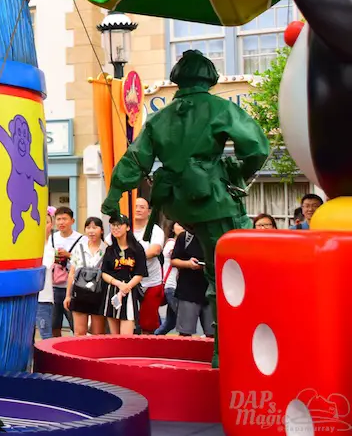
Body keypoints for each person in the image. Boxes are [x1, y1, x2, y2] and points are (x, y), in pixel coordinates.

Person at [101, 50, 269, 366]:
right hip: (213, 201)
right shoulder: (220, 108)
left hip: (175, 204)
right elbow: (257, 148)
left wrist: (113, 196)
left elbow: (135, 160)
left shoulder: (160, 118)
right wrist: (238, 173)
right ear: (209, 79)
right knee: (231, 271)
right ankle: (226, 350)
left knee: (220, 270)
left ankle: (227, 344)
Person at [101, 213, 147, 335]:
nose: (115, 228)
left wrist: (127, 287)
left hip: (129, 291)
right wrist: (117, 283)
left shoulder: (137, 249)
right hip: (112, 291)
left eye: (119, 225)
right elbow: (104, 272)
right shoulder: (110, 249)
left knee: (126, 336)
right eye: (113, 225)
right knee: (114, 336)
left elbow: (140, 272)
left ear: (127, 227)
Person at [65, 217, 107, 336]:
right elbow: (72, 273)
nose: (91, 231)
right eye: (88, 228)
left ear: (102, 230)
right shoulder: (79, 248)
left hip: (99, 293)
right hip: (79, 293)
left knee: (98, 333)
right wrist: (68, 295)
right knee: (79, 333)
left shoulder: (107, 249)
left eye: (95, 227)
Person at [171, 229, 214, 338]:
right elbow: (174, 260)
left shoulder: (214, 236)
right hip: (188, 290)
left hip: (211, 291)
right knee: (185, 333)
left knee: (213, 334)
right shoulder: (185, 237)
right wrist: (188, 264)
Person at [131, 197, 165, 333]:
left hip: (151, 281)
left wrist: (130, 258)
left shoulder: (155, 230)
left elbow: (155, 250)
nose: (138, 210)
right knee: (127, 321)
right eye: (135, 206)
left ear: (149, 211)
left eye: (142, 207)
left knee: (148, 324)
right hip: (128, 282)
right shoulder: (124, 228)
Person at [50, 206, 82, 338]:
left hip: (73, 287)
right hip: (53, 286)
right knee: (54, 325)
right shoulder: (51, 238)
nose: (61, 222)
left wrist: (68, 255)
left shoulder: (81, 239)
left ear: (72, 221)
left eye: (64, 219)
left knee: (76, 325)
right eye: (58, 219)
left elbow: (85, 261)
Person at [155, 221, 183, 335]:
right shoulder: (171, 244)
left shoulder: (177, 243)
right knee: (182, 318)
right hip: (171, 287)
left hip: (174, 286)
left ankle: (155, 337)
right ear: (172, 228)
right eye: (179, 224)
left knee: (170, 323)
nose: (182, 227)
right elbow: (176, 259)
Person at [36, 207, 56, 341]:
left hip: (43, 297)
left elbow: (44, 265)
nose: (44, 225)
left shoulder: (50, 247)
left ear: (51, 225)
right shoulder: (29, 245)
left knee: (45, 334)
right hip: (28, 295)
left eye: (47, 222)